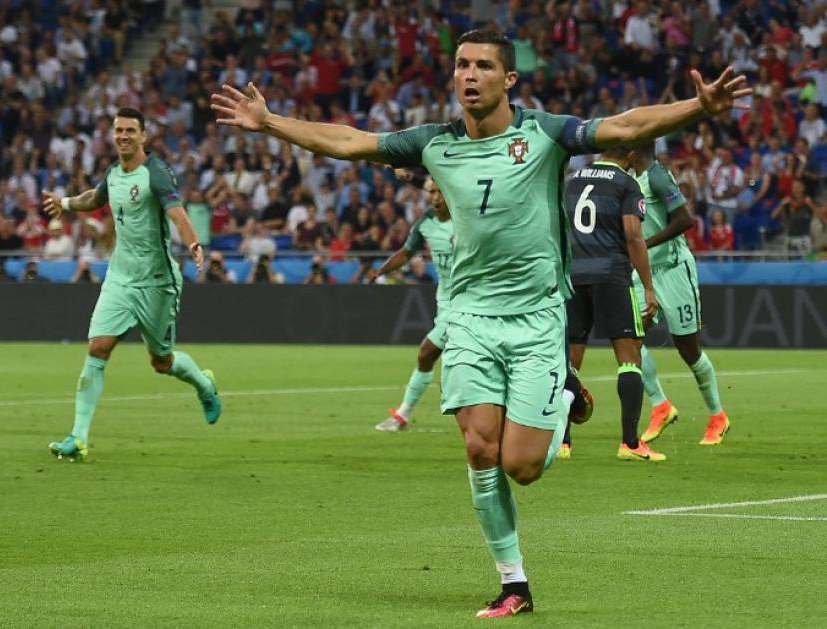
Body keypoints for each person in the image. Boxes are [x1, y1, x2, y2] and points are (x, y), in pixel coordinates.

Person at [212, 29, 749, 618]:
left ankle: (564, 396)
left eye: (483, 66)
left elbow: (623, 126)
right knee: (477, 448)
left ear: (508, 79)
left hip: (539, 317)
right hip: (468, 316)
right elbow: (348, 142)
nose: (469, 75)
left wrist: (698, 106)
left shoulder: (544, 133)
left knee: (521, 466)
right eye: (462, 65)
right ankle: (514, 582)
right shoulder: (433, 143)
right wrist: (269, 122)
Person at [41, 107, 222, 462]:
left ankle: (204, 384)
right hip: (120, 278)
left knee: (162, 362)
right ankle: (78, 438)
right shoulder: (112, 175)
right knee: (97, 348)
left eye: (130, 131)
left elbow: (178, 215)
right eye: (118, 130)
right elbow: (93, 199)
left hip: (157, 282)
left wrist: (195, 244)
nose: (123, 136)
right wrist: (62, 203)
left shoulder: (156, 174)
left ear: (143, 136)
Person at [561, 147, 661, 461]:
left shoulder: (573, 179)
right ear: (631, 153)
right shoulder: (626, 183)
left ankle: (562, 442)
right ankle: (630, 444)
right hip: (611, 275)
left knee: (570, 361)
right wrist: (647, 286)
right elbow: (633, 234)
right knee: (629, 355)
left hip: (573, 276)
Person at [630, 142, 731, 446]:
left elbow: (685, 219)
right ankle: (660, 405)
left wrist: (647, 245)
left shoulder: (657, 176)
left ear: (634, 150)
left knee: (687, 348)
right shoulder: (632, 180)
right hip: (644, 272)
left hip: (674, 270)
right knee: (629, 339)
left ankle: (717, 416)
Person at [369, 175, 453, 432]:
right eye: (431, 193)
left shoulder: (469, 218)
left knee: (428, 353)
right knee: (429, 356)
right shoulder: (426, 223)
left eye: (440, 192)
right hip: (447, 303)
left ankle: (402, 415)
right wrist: (380, 271)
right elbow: (407, 253)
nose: (435, 198)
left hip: (473, 301)